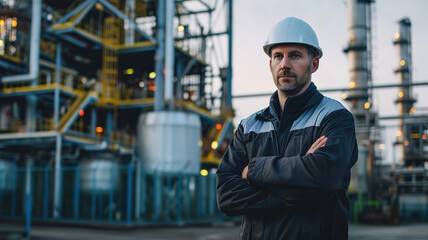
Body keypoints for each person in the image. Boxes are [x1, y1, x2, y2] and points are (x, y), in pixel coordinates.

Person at [216, 17, 358, 240]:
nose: (285, 64)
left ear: (314, 64)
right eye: (278, 56)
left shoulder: (334, 117)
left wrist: (253, 171)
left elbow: (326, 178)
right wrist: (298, 189)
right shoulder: (249, 126)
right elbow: (226, 195)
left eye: (295, 55)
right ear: (270, 64)